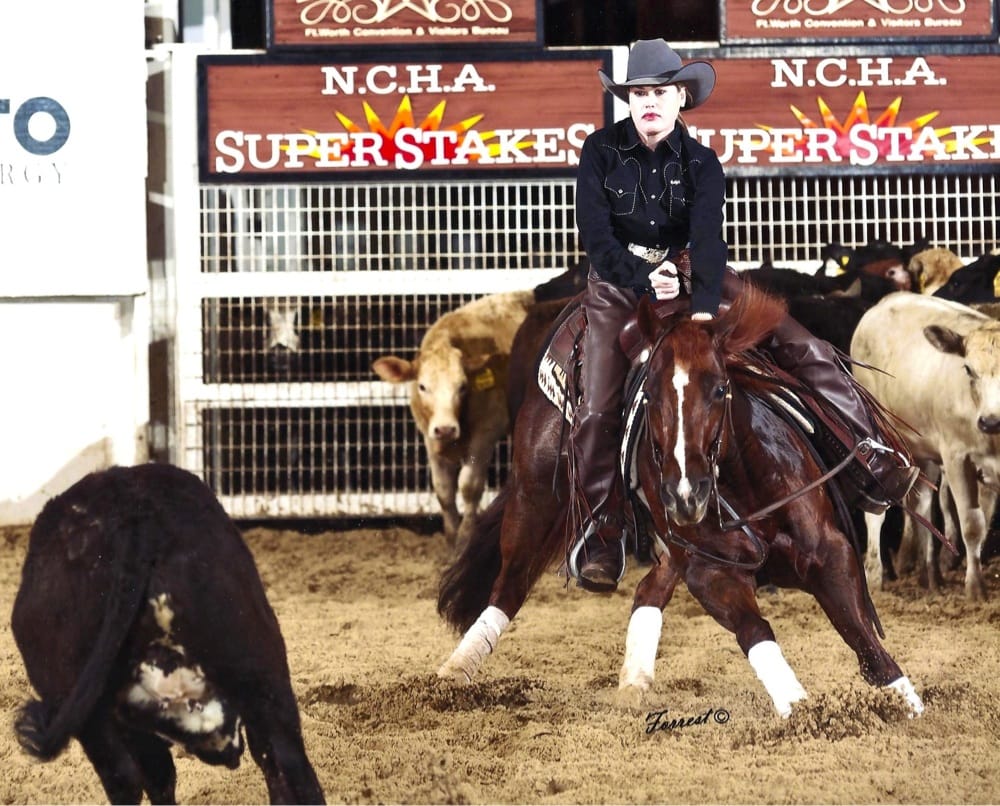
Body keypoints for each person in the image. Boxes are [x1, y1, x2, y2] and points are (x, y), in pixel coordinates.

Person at [568, 38, 919, 593]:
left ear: (681, 98)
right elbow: (597, 236)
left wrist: (705, 311)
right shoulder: (599, 151)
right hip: (618, 283)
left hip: (695, 275)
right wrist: (642, 277)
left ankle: (868, 451)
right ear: (628, 100)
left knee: (800, 342)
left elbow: (709, 241)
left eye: (660, 91)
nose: (650, 102)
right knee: (597, 401)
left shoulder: (703, 163)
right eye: (639, 93)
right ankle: (603, 528)